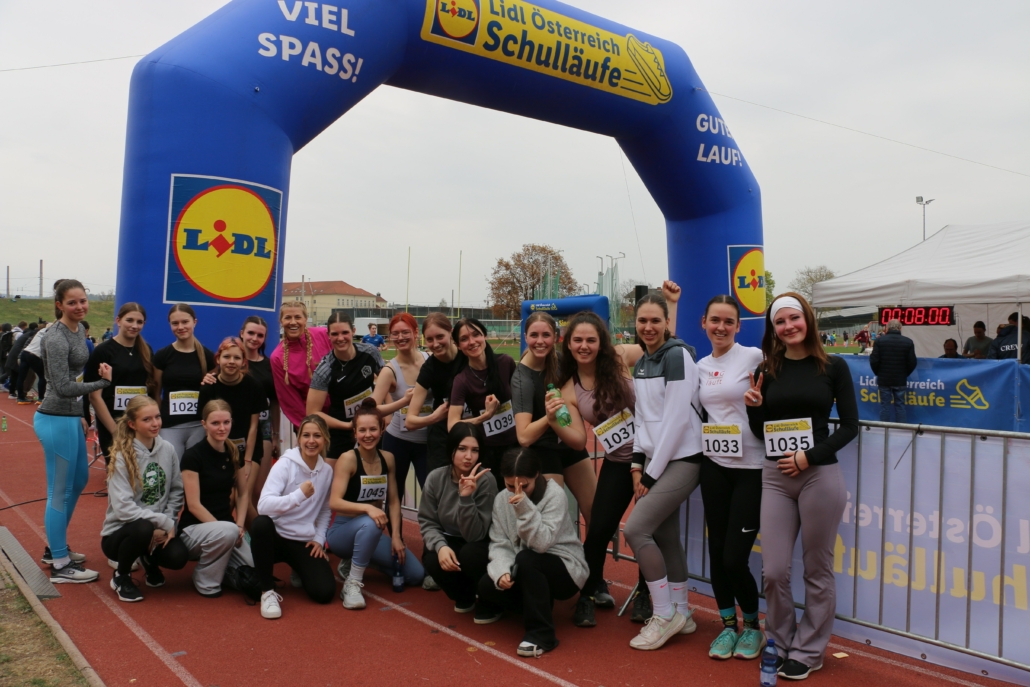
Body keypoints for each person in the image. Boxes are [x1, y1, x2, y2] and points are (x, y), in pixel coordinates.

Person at [745, 292, 858, 680]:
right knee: (774, 570)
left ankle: (809, 650)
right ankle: (779, 640)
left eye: (794, 318)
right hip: (776, 477)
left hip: (818, 475)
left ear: (807, 319)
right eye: (780, 321)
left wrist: (809, 456)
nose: (788, 326)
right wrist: (753, 407)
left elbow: (850, 426)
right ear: (773, 329)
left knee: (817, 568)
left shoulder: (834, 366)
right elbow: (761, 432)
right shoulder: (767, 368)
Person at [622, 292, 703, 651]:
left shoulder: (677, 355)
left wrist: (650, 475)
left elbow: (675, 421)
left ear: (667, 322)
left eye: (656, 320)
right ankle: (683, 613)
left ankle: (664, 614)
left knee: (636, 529)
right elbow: (642, 419)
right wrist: (636, 464)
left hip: (683, 460)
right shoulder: (642, 362)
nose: (649, 327)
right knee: (665, 535)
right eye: (642, 320)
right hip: (656, 463)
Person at [557, 311, 639, 627]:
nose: (584, 346)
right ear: (568, 344)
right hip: (618, 462)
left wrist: (670, 306)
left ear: (601, 342)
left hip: (652, 457)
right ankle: (588, 595)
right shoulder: (568, 389)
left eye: (591, 340)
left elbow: (659, 348)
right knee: (598, 530)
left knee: (646, 530)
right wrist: (555, 420)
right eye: (578, 340)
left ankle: (646, 594)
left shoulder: (619, 357)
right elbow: (579, 440)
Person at [695, 296, 766, 660]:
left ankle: (752, 626)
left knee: (734, 558)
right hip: (714, 466)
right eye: (715, 320)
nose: (720, 327)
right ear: (704, 323)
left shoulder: (754, 357)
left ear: (738, 326)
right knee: (717, 550)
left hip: (751, 469)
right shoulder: (700, 366)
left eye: (728, 322)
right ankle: (727, 626)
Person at [34, 281, 110, 583]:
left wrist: (82, 414)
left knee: (78, 481)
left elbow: (74, 377)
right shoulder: (55, 337)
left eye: (83, 301)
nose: (80, 307)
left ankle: (55, 548)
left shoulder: (78, 331)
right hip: (55, 419)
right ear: (59, 305)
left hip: (70, 417)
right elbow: (63, 387)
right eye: (72, 302)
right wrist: (102, 384)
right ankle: (60, 565)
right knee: (59, 491)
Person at [479, 447, 588, 657]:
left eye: (524, 486)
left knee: (527, 559)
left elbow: (541, 543)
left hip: (565, 568)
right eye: (510, 486)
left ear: (536, 475)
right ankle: (536, 604)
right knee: (487, 585)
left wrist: (523, 507)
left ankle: (542, 635)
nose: (516, 492)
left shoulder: (554, 495)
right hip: (526, 564)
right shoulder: (502, 499)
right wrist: (502, 571)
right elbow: (499, 542)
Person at [326, 398, 424, 610]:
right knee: (371, 522)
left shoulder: (388, 458)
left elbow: (394, 500)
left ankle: (361, 560)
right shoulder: (348, 459)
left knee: (415, 575)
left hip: (372, 532)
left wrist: (396, 536)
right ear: (355, 433)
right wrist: (368, 508)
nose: (368, 435)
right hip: (342, 533)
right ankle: (352, 583)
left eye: (373, 429)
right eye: (362, 430)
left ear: (382, 429)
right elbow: (334, 502)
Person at [100, 395, 188, 600]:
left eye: (157, 417)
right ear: (132, 424)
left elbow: (176, 490)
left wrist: (168, 521)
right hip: (121, 533)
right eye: (147, 419)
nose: (155, 423)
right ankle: (121, 576)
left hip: (158, 528)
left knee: (178, 557)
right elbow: (123, 509)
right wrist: (163, 522)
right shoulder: (122, 456)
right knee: (142, 528)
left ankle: (148, 561)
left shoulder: (168, 449)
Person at [512, 311, 595, 527]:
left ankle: (592, 550)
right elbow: (524, 437)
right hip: (543, 451)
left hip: (569, 442)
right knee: (555, 520)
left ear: (556, 336)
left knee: (596, 513)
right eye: (534, 335)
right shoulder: (522, 378)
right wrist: (549, 417)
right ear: (525, 337)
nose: (540, 341)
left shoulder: (563, 361)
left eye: (546, 335)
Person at [251, 414, 336, 619]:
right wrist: (298, 495)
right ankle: (267, 592)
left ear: (325, 439)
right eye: (306, 435)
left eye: (317, 435)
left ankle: (299, 568)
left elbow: (325, 510)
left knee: (324, 593)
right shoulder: (285, 464)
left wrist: (319, 539)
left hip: (303, 541)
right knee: (260, 524)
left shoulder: (326, 471)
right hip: (276, 538)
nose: (311, 441)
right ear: (298, 439)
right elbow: (263, 506)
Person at [417, 423, 497, 616]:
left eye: (474, 450)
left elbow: (475, 535)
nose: (468, 456)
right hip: (452, 539)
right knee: (432, 557)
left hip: (480, 543)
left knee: (469, 554)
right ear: (451, 449)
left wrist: (466, 498)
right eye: (462, 449)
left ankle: (489, 599)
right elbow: (428, 522)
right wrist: (441, 547)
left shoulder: (486, 480)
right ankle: (465, 596)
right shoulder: (436, 478)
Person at [179, 399, 255, 597]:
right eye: (215, 423)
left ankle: (224, 572)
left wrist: (239, 525)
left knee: (251, 566)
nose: (222, 428)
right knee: (227, 533)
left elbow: (243, 493)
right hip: (193, 530)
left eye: (226, 422)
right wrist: (227, 531)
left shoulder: (234, 452)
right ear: (204, 424)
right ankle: (205, 580)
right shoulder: (192, 456)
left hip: (227, 528)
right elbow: (193, 505)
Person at [271, 302, 383, 431]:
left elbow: (347, 363)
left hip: (345, 412)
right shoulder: (277, 358)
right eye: (287, 318)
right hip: (314, 422)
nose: (293, 322)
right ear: (281, 321)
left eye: (297, 317)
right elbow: (290, 402)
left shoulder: (323, 334)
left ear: (305, 319)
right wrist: (310, 428)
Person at [447, 317, 518, 487]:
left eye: (476, 335)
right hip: (487, 451)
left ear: (484, 335)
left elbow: (520, 400)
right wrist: (485, 416)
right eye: (464, 339)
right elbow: (452, 425)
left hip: (516, 445)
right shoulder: (462, 380)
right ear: (458, 345)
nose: (472, 342)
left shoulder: (506, 362)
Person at [306, 312, 383, 462]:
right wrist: (348, 426)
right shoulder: (324, 369)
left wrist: (387, 415)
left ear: (353, 331)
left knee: (377, 469)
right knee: (333, 473)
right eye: (335, 334)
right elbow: (312, 412)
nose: (340, 338)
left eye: (345, 332)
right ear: (328, 335)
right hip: (341, 429)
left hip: (371, 426)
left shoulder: (370, 352)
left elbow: (386, 381)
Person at [85, 302, 156, 462]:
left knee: (144, 472)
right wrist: (114, 430)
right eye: (129, 320)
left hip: (141, 424)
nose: (134, 325)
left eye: (139, 322)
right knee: (119, 472)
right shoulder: (103, 352)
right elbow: (94, 397)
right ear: (118, 321)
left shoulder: (147, 351)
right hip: (113, 423)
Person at [372, 313, 430, 495]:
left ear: (415, 332)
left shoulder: (430, 359)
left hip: (428, 442)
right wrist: (403, 401)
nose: (400, 337)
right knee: (394, 495)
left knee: (432, 496)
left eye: (405, 332)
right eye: (395, 333)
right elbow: (372, 409)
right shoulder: (389, 370)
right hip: (398, 442)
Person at [153, 304, 216, 458]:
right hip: (169, 426)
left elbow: (213, 395)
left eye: (185, 322)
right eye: (175, 323)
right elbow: (156, 393)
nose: (180, 327)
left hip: (199, 425)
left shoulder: (208, 356)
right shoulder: (162, 356)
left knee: (194, 470)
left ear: (194, 322)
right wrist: (157, 421)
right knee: (170, 469)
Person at [404, 313, 463, 472]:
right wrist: (434, 417)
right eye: (429, 339)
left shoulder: (467, 356)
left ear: (451, 332)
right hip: (442, 438)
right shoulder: (428, 369)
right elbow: (410, 421)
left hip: (472, 432)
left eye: (440, 337)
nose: (435, 344)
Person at [198, 337, 264, 468]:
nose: (231, 362)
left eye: (237, 358)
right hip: (217, 451)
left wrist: (247, 460)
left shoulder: (254, 386)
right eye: (226, 357)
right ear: (218, 359)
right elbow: (207, 428)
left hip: (249, 450)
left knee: (245, 482)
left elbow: (254, 427)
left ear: (243, 362)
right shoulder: (208, 387)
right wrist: (215, 456)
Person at [239, 316, 280, 496]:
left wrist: (276, 436)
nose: (254, 338)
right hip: (235, 431)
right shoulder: (231, 362)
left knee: (259, 490)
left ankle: (254, 516)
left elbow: (275, 403)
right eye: (251, 333)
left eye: (260, 335)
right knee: (236, 491)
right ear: (242, 333)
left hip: (263, 431)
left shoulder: (270, 365)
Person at [868, 319, 916, 422]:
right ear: (900, 328)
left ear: (887, 328)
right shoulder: (908, 342)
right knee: (900, 405)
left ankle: (884, 429)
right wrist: (905, 374)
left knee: (885, 405)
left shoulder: (879, 341)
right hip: (900, 379)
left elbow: (874, 360)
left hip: (884, 378)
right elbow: (912, 362)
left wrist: (878, 373)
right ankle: (901, 429)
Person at [18, 320, 50, 404]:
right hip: (34, 355)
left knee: (21, 377)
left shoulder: (40, 332)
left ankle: (20, 398)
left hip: (25, 352)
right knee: (42, 376)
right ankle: (41, 398)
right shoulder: (50, 335)